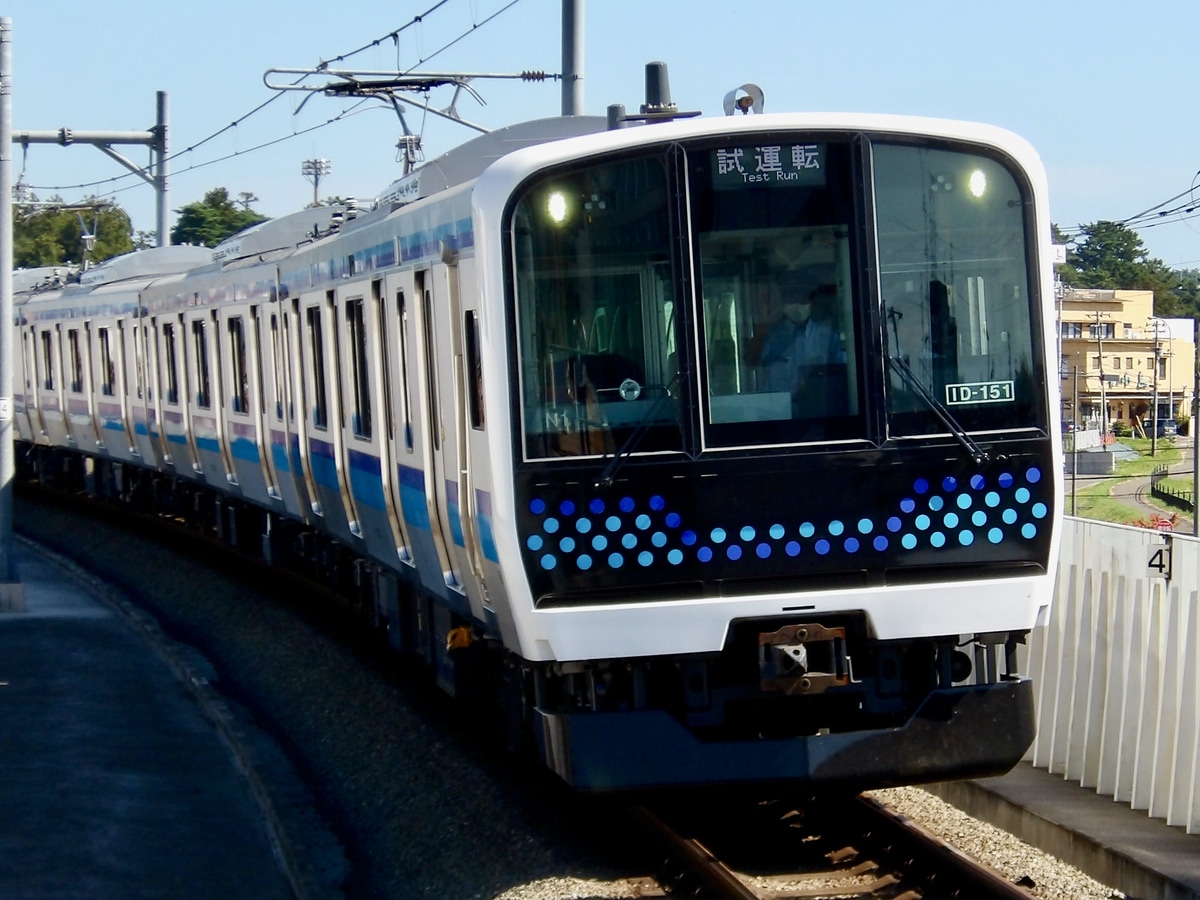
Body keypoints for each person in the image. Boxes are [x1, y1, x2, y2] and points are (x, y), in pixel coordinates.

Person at [749, 273, 845, 418]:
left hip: (818, 415)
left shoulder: (827, 337)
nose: (797, 302)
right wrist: (763, 324)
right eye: (791, 297)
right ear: (783, 301)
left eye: (802, 298)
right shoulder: (771, 336)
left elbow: (841, 377)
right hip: (775, 415)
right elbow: (751, 362)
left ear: (811, 302)